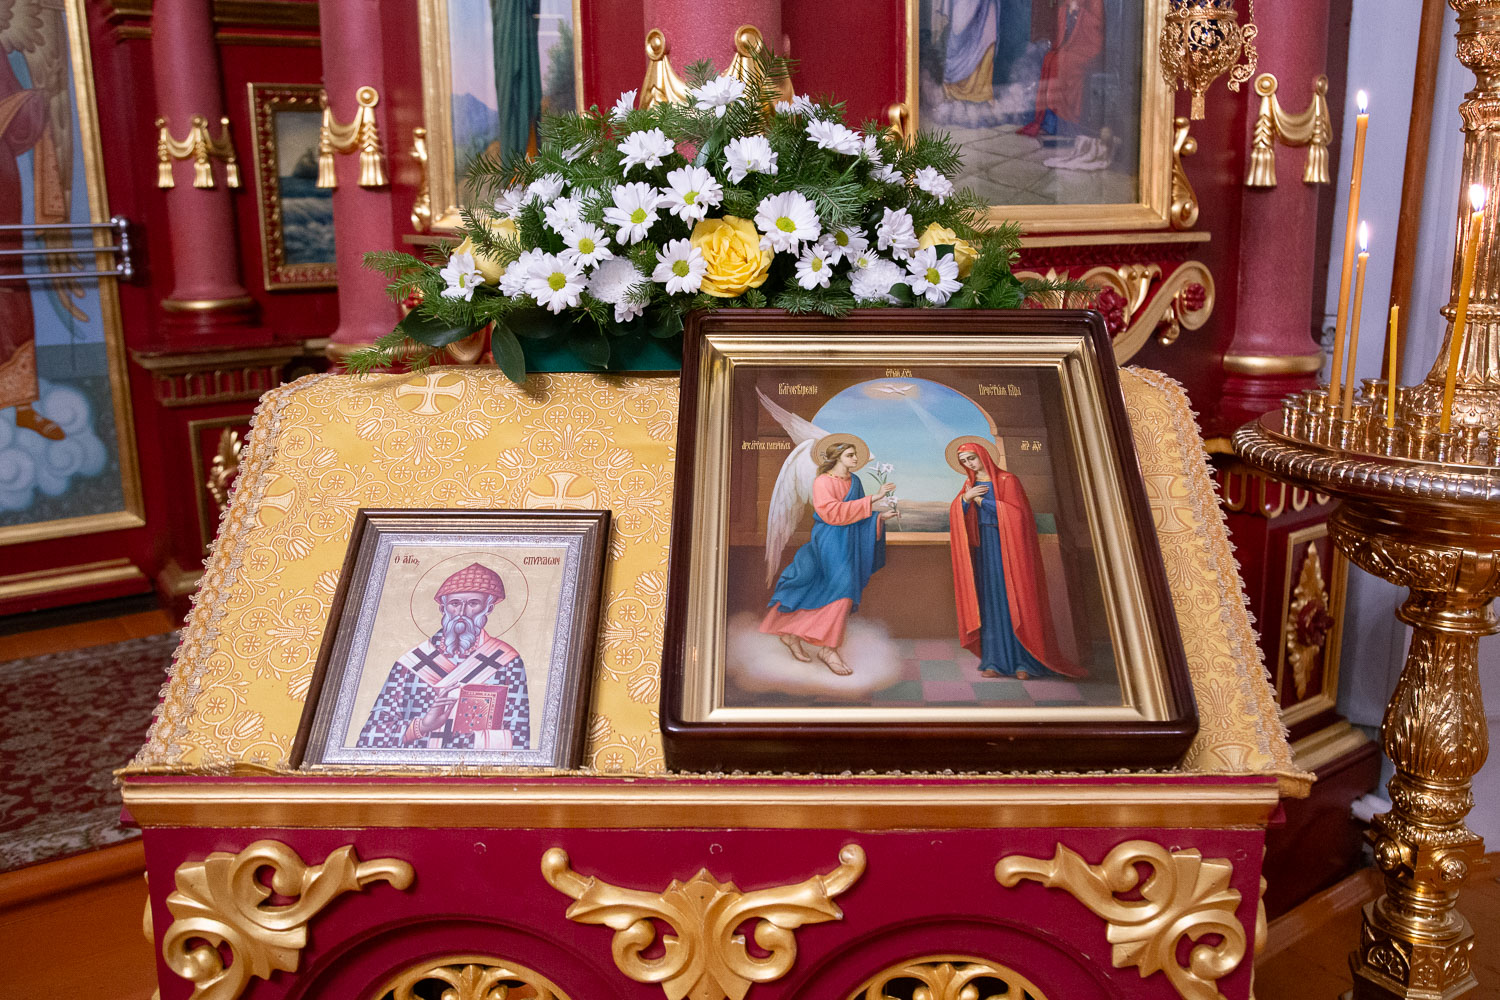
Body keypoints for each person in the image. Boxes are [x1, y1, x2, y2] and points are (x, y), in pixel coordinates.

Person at [947, 441, 1084, 679]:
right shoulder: (969, 484)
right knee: (991, 602)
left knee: (1015, 600)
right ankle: (994, 661)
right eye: (964, 461)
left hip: (1008, 549)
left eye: (971, 458)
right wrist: (965, 500)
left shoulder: (1007, 480)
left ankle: (1024, 663)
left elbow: (1017, 515)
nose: (969, 464)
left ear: (983, 455)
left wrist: (983, 502)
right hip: (985, 550)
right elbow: (958, 514)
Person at [357, 562, 530, 750]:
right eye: (455, 604)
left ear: (488, 608)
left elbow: (520, 737)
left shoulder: (506, 661)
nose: (462, 612)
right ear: (443, 608)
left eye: (473, 603)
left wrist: (464, 742)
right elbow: (370, 737)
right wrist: (422, 726)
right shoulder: (411, 663)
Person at [761, 439, 897, 676]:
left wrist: (878, 518)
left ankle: (802, 638)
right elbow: (832, 513)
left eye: (855, 455)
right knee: (841, 589)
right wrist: (873, 499)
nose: (856, 459)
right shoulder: (822, 482)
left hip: (849, 542)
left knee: (838, 592)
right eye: (850, 455)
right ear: (837, 458)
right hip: (829, 541)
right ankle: (826, 648)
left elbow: (858, 517)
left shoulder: (855, 481)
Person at [1017, 0, 1104, 138]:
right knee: (1049, 59)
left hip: (1087, 48)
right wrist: (1068, 11)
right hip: (1069, 47)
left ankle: (1066, 123)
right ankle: (1049, 123)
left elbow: (1097, 26)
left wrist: (1078, 12)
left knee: (1063, 63)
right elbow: (1064, 14)